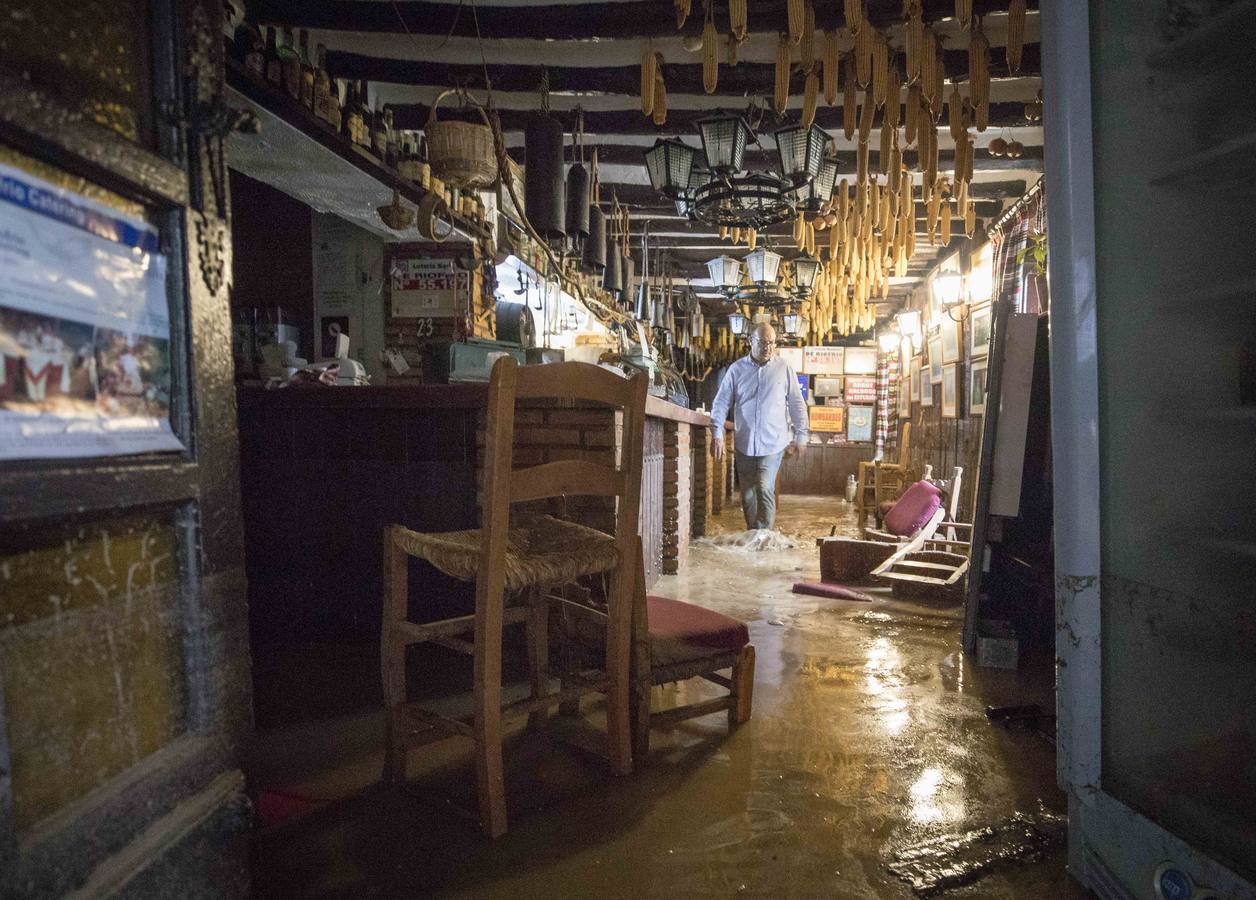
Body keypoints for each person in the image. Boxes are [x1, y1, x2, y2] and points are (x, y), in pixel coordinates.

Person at [710, 322, 809, 530]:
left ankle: (764, 535)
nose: (768, 347)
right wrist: (717, 432)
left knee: (764, 486)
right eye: (762, 342)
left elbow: (797, 403)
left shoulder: (784, 369)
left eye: (772, 343)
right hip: (744, 441)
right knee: (746, 493)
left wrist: (801, 436)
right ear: (750, 342)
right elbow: (721, 401)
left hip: (774, 442)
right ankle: (753, 532)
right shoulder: (736, 370)